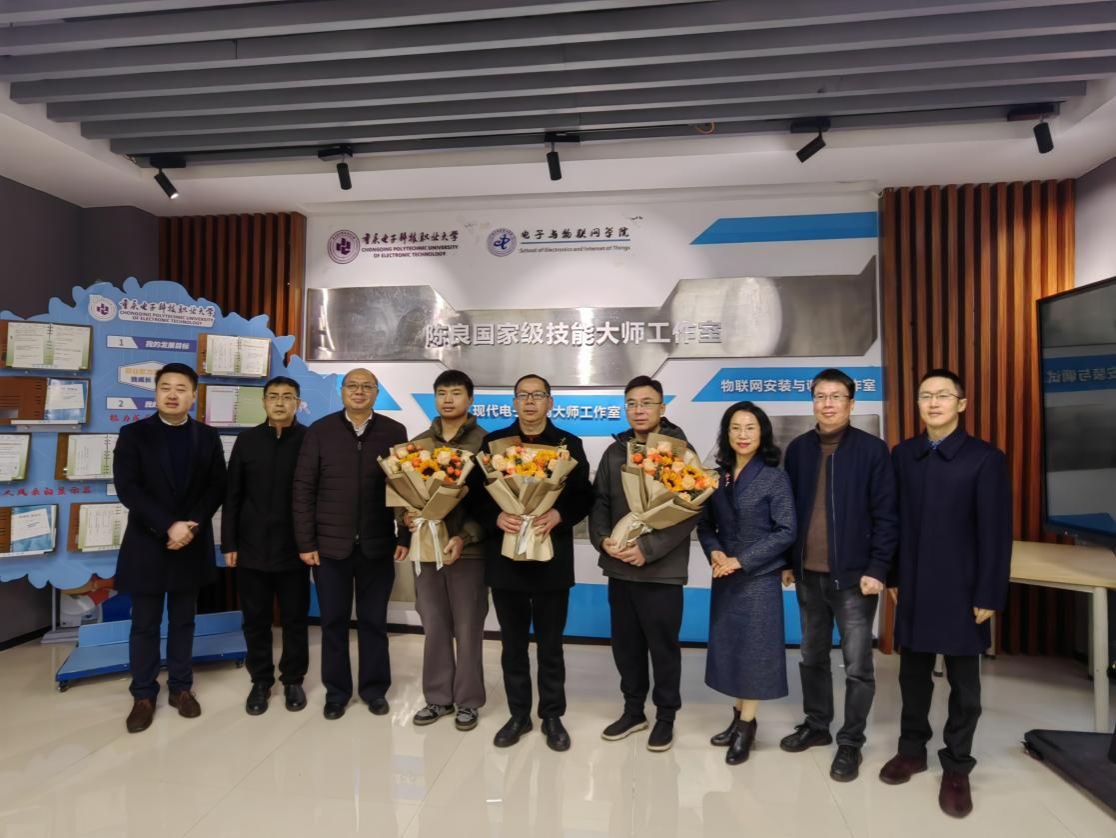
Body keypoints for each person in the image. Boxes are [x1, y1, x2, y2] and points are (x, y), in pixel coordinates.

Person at [880, 368, 1011, 819]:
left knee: (965, 686)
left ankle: (956, 766)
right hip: (914, 584)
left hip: (963, 588)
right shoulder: (904, 455)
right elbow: (892, 520)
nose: (933, 403)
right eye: (925, 396)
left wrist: (989, 593)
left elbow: (996, 533)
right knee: (912, 677)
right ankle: (911, 751)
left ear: (962, 403)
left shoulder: (985, 459)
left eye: (942, 395)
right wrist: (893, 576)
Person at [779, 369, 898, 781]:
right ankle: (817, 725)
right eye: (820, 396)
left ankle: (851, 742)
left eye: (836, 397)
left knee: (857, 666)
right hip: (808, 576)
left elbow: (887, 516)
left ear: (851, 403)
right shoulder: (799, 449)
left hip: (854, 579)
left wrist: (878, 568)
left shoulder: (872, 450)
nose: (827, 404)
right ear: (812, 401)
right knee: (811, 657)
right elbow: (787, 513)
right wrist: (787, 562)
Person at [474, 373, 593, 752]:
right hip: (506, 560)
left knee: (550, 645)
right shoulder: (494, 444)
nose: (529, 401)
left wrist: (560, 514)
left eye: (537, 395)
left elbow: (583, 496)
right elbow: (474, 496)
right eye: (523, 395)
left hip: (550, 559)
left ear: (549, 402)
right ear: (513, 402)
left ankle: (552, 716)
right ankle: (519, 715)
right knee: (512, 645)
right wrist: (495, 517)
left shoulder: (569, 445)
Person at [113, 362, 227, 734]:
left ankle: (180, 688)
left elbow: (217, 486)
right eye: (165, 388)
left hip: (190, 543)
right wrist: (168, 525)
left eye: (181, 388)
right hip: (147, 542)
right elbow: (128, 488)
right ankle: (143, 694)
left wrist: (189, 525)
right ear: (156, 393)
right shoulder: (134, 434)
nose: (173, 395)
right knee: (144, 623)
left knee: (183, 620)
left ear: (193, 395)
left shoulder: (207, 437)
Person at [589, 375, 697, 753]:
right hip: (620, 566)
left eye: (647, 403)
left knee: (663, 648)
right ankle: (633, 711)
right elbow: (600, 502)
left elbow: (689, 512)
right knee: (626, 646)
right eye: (632, 403)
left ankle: (666, 716)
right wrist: (603, 540)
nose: (639, 410)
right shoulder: (614, 452)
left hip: (662, 571)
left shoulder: (679, 451)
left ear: (662, 408)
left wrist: (648, 549)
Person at [292, 368, 407, 720]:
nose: (359, 391)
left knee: (374, 621)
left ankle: (374, 690)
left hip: (377, 544)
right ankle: (337, 692)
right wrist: (306, 542)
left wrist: (405, 535)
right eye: (352, 386)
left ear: (376, 392)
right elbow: (303, 489)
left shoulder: (394, 431)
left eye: (366, 386)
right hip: (330, 547)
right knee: (333, 623)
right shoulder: (320, 431)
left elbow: (406, 488)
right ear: (342, 391)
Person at [697, 402, 797, 764]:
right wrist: (715, 552)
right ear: (726, 434)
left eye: (750, 428)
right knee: (733, 649)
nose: (742, 435)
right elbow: (705, 524)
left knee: (754, 652)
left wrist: (741, 560)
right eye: (735, 428)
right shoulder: (718, 476)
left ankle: (746, 728)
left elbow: (786, 530)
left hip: (758, 577)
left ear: (762, 433)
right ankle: (738, 717)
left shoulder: (774, 477)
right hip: (725, 576)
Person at [400, 370, 489, 732]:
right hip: (426, 548)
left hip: (468, 551)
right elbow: (401, 492)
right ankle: (438, 697)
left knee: (468, 628)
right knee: (434, 624)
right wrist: (406, 516)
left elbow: (494, 504)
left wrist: (466, 536)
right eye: (441, 393)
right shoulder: (418, 444)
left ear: (470, 399)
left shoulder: (486, 443)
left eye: (455, 393)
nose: (448, 399)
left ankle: (468, 700)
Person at [222, 375, 309, 716]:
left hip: (295, 548)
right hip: (251, 547)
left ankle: (293, 679)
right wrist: (229, 542)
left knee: (295, 619)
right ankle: (260, 680)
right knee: (255, 619)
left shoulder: (309, 440)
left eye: (287, 396)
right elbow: (232, 495)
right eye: (273, 396)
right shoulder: (247, 440)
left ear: (297, 403)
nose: (280, 402)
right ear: (263, 402)